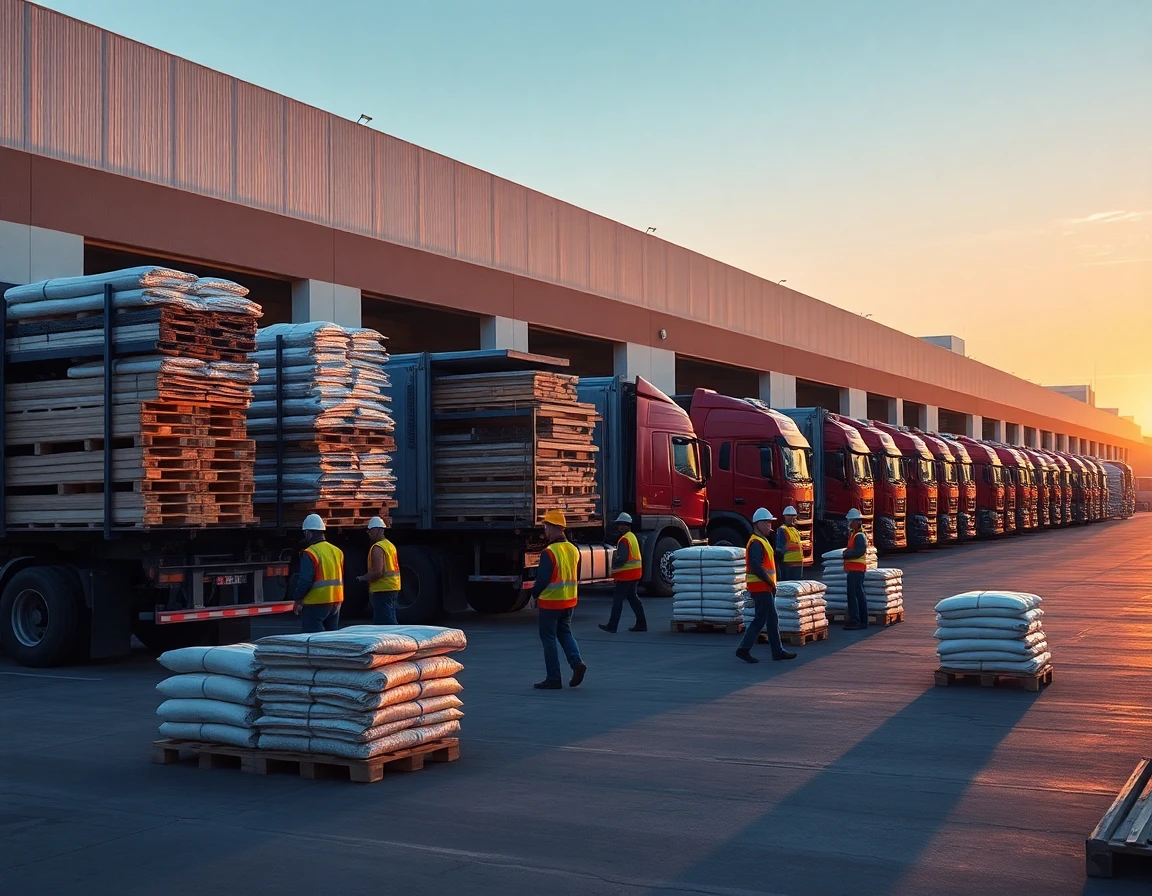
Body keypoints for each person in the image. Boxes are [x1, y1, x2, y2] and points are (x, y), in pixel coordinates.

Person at [531, 509, 588, 690]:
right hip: (569, 601)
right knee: (565, 633)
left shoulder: (549, 552)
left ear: (556, 528)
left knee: (548, 638)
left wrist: (534, 595)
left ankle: (554, 677)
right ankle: (576, 662)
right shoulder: (573, 549)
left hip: (550, 603)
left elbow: (543, 579)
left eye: (547, 526)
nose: (545, 531)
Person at [735, 508, 797, 663]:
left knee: (771, 619)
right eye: (767, 522)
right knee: (761, 619)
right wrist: (770, 582)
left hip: (764, 587)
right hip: (761, 587)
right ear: (758, 524)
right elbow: (756, 565)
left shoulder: (763, 541)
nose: (770, 525)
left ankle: (777, 651)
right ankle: (744, 649)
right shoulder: (756, 542)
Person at [292, 513, 345, 633]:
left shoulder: (310, 553)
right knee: (331, 640)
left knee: (314, 642)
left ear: (308, 533)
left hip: (316, 602)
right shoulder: (337, 551)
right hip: (336, 601)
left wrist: (298, 600)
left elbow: (305, 581)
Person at [599, 512, 648, 633]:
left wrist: (613, 563)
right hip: (635, 574)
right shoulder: (632, 537)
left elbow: (622, 558)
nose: (620, 526)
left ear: (628, 525)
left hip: (626, 575)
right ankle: (642, 623)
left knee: (618, 600)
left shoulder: (624, 540)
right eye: (619, 524)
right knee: (633, 598)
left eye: (622, 524)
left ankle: (612, 625)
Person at [357, 516, 401, 625]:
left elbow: (377, 572)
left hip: (383, 589)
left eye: (370, 531)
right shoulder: (389, 545)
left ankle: (395, 640)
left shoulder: (378, 547)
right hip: (393, 587)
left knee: (385, 623)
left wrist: (362, 578)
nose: (369, 534)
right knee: (389, 617)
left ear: (376, 530)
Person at [842, 508, 869, 630]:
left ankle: (855, 621)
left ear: (856, 522)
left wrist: (846, 554)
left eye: (851, 521)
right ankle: (862, 620)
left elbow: (860, 551)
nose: (849, 524)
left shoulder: (859, 536)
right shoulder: (855, 535)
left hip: (856, 570)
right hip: (855, 570)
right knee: (859, 594)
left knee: (853, 595)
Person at [775, 506, 805, 581]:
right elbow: (779, 549)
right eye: (789, 516)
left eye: (793, 516)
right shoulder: (782, 530)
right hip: (787, 564)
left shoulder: (795, 530)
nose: (791, 518)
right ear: (784, 517)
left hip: (797, 564)